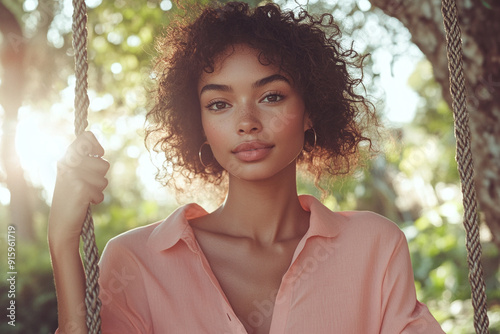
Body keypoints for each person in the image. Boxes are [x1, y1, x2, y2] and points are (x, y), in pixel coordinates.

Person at [49, 2, 445, 333]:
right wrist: (62, 242)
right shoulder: (136, 261)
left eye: (271, 96)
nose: (247, 122)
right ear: (199, 124)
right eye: (219, 104)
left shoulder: (373, 247)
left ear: (310, 112)